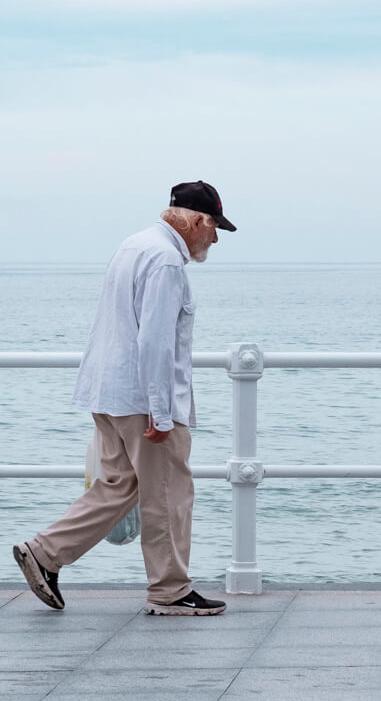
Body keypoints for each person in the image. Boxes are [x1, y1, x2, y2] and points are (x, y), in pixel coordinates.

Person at [12, 183, 237, 615]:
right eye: (213, 229)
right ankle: (170, 591)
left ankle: (43, 553)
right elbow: (154, 342)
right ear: (194, 222)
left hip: (108, 390)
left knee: (118, 486)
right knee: (169, 493)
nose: (214, 239)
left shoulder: (134, 245)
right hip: (141, 400)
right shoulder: (168, 262)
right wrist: (162, 411)